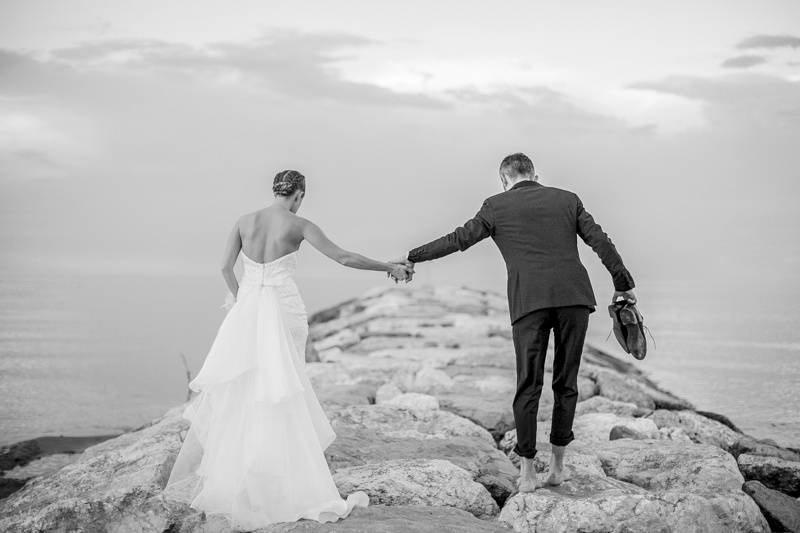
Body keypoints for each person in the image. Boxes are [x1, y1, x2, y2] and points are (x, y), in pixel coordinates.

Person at [162, 169, 412, 530]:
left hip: (247, 311)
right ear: (299, 195)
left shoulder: (244, 221)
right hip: (283, 310)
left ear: (275, 190)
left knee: (245, 390)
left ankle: (243, 478)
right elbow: (343, 257)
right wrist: (388, 266)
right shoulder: (299, 224)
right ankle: (281, 476)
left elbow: (223, 266)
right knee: (282, 390)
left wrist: (240, 297)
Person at [398, 153, 636, 492]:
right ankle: (557, 468)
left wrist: (412, 256)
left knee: (529, 384)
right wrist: (623, 283)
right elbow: (601, 242)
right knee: (566, 383)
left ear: (503, 180)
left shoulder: (495, 206)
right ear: (536, 175)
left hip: (529, 303)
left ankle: (526, 473)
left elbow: (458, 239)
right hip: (574, 299)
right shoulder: (568, 199)